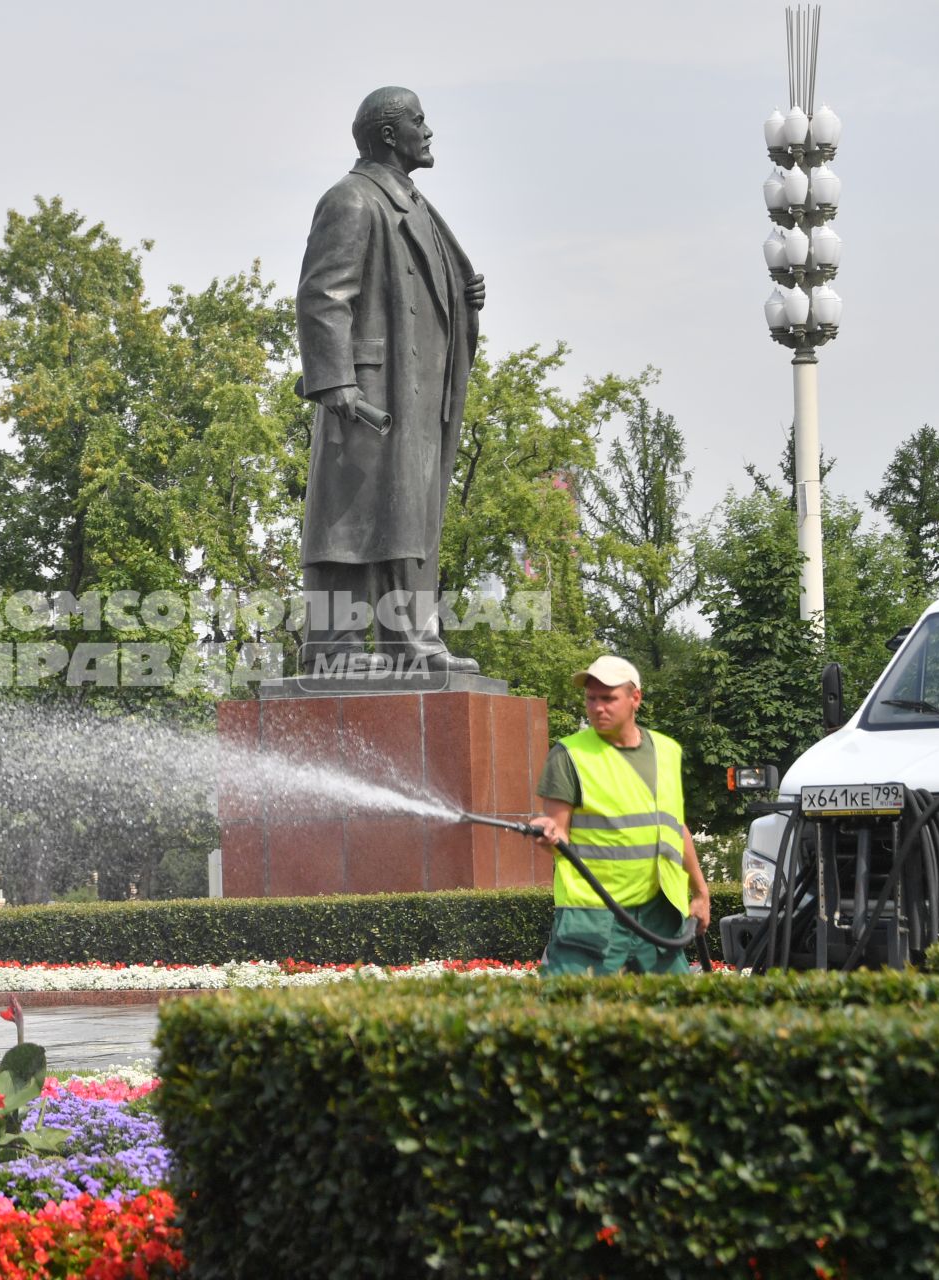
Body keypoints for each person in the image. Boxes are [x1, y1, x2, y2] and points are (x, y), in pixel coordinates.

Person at [294, 86, 486, 675]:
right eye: (418, 122)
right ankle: (336, 647)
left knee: (409, 516)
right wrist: (337, 383)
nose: (428, 132)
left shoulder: (414, 204)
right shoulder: (353, 199)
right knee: (352, 522)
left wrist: (465, 294)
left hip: (418, 388)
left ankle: (410, 639)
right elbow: (322, 295)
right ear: (387, 134)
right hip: (374, 392)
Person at [528, 656, 712, 975]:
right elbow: (558, 834)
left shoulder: (667, 752)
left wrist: (700, 892)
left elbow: (675, 827)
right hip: (591, 915)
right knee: (563, 1017)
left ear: (634, 698)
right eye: (591, 699)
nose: (598, 707)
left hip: (659, 914)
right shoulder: (568, 755)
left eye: (608, 698)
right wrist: (547, 835)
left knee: (678, 1020)